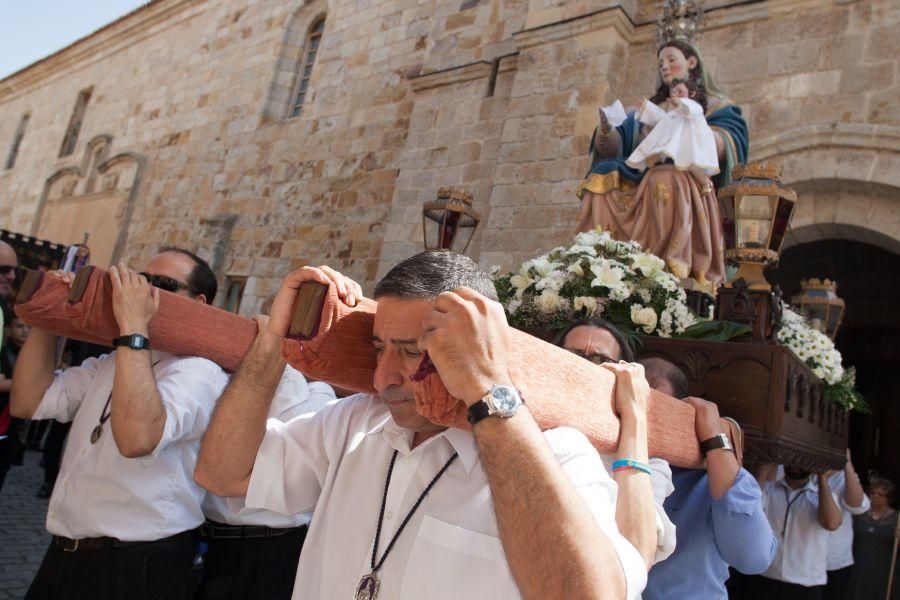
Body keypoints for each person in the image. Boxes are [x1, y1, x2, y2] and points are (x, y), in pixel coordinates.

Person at [195, 252, 649, 599]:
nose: (382, 378)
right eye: (379, 349)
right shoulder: (355, 421)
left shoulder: (558, 452)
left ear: (476, 347)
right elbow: (222, 473)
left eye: (412, 352)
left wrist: (488, 392)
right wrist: (275, 341)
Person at [10, 248, 229, 600]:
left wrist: (133, 329)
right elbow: (30, 400)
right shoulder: (116, 360)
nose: (142, 291)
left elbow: (137, 438)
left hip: (136, 564)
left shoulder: (200, 372)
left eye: (162, 284)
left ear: (199, 302)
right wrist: (48, 315)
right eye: (140, 280)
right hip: (66, 553)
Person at [575, 40, 748, 288]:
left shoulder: (711, 106)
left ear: (691, 62)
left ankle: (668, 265)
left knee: (664, 178)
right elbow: (613, 147)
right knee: (603, 174)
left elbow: (728, 142)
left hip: (681, 173)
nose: (665, 67)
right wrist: (606, 130)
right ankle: (599, 259)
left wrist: (693, 136)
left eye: (671, 60)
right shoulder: (645, 110)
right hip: (638, 171)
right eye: (660, 63)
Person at [198, 296, 338, 600]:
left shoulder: (318, 395)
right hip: (210, 538)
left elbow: (259, 460)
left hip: (270, 547)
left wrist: (269, 355)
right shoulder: (219, 375)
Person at [638, 357, 777, 599]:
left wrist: (714, 440)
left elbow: (753, 557)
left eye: (652, 393)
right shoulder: (600, 458)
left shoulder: (711, 474)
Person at [554, 319, 676, 567]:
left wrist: (634, 415)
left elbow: (636, 554)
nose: (584, 367)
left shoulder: (650, 458)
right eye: (573, 355)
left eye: (601, 361)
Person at [747, 463, 843, 599]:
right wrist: (764, 467)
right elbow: (748, 510)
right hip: (766, 579)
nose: (796, 465)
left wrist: (822, 477)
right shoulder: (769, 489)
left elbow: (831, 523)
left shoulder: (822, 496)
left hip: (805, 586)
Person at [823, 450, 870, 600]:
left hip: (834, 562)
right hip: (802, 560)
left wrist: (847, 463)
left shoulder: (842, 477)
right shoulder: (795, 473)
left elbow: (856, 506)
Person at [850, 476, 900, 600]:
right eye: (873, 493)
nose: (876, 496)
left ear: (889, 498)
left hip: (884, 567)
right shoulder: (859, 513)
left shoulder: (897, 518)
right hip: (859, 564)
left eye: (881, 494)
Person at [0, 303, 30, 491]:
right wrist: (27, 386)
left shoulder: (28, 353)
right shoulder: (4, 352)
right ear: (8, 330)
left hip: (13, 424)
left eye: (29, 327)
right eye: (20, 326)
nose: (25, 331)